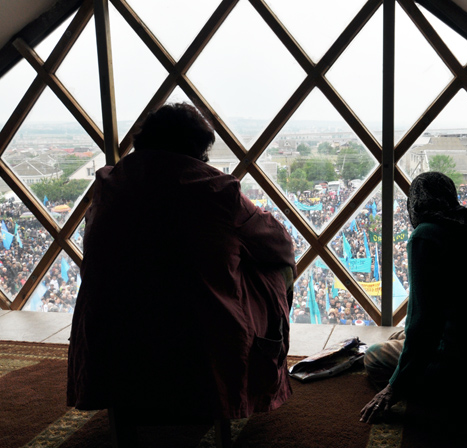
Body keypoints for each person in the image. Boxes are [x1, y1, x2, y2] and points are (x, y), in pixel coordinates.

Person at [67, 103, 296, 419]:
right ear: (197, 149)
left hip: (111, 336)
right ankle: (261, 371)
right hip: (200, 341)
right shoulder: (216, 190)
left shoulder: (109, 186)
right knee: (276, 270)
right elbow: (280, 244)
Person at [359, 172, 467, 424]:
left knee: (373, 357)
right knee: (399, 336)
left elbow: (424, 323)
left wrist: (395, 387)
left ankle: (462, 395)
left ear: (414, 203)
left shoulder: (426, 236)